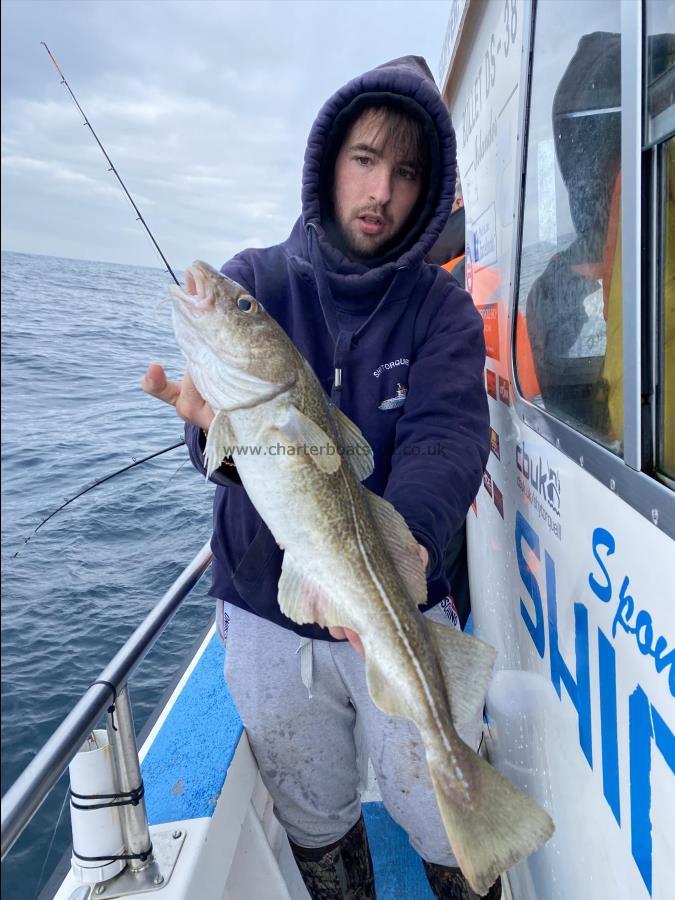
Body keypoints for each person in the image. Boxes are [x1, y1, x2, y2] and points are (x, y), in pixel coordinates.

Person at [144, 56, 493, 899]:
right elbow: (221, 462)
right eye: (365, 159)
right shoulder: (257, 280)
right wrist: (208, 432)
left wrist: (395, 545)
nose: (380, 190)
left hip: (396, 589)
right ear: (328, 159)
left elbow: (449, 433)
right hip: (266, 604)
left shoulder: (438, 308)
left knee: (437, 802)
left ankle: (478, 851)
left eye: (406, 173)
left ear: (427, 189)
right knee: (312, 809)